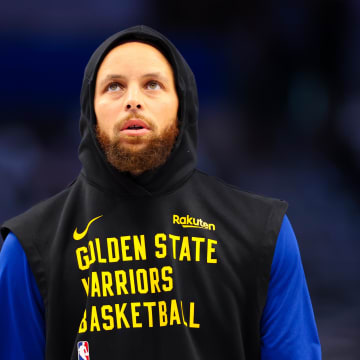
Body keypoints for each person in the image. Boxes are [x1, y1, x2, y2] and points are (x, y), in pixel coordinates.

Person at [0, 25, 321, 359]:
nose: (133, 101)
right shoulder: (28, 249)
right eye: (114, 86)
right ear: (89, 111)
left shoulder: (263, 235)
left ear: (182, 108)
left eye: (152, 85)